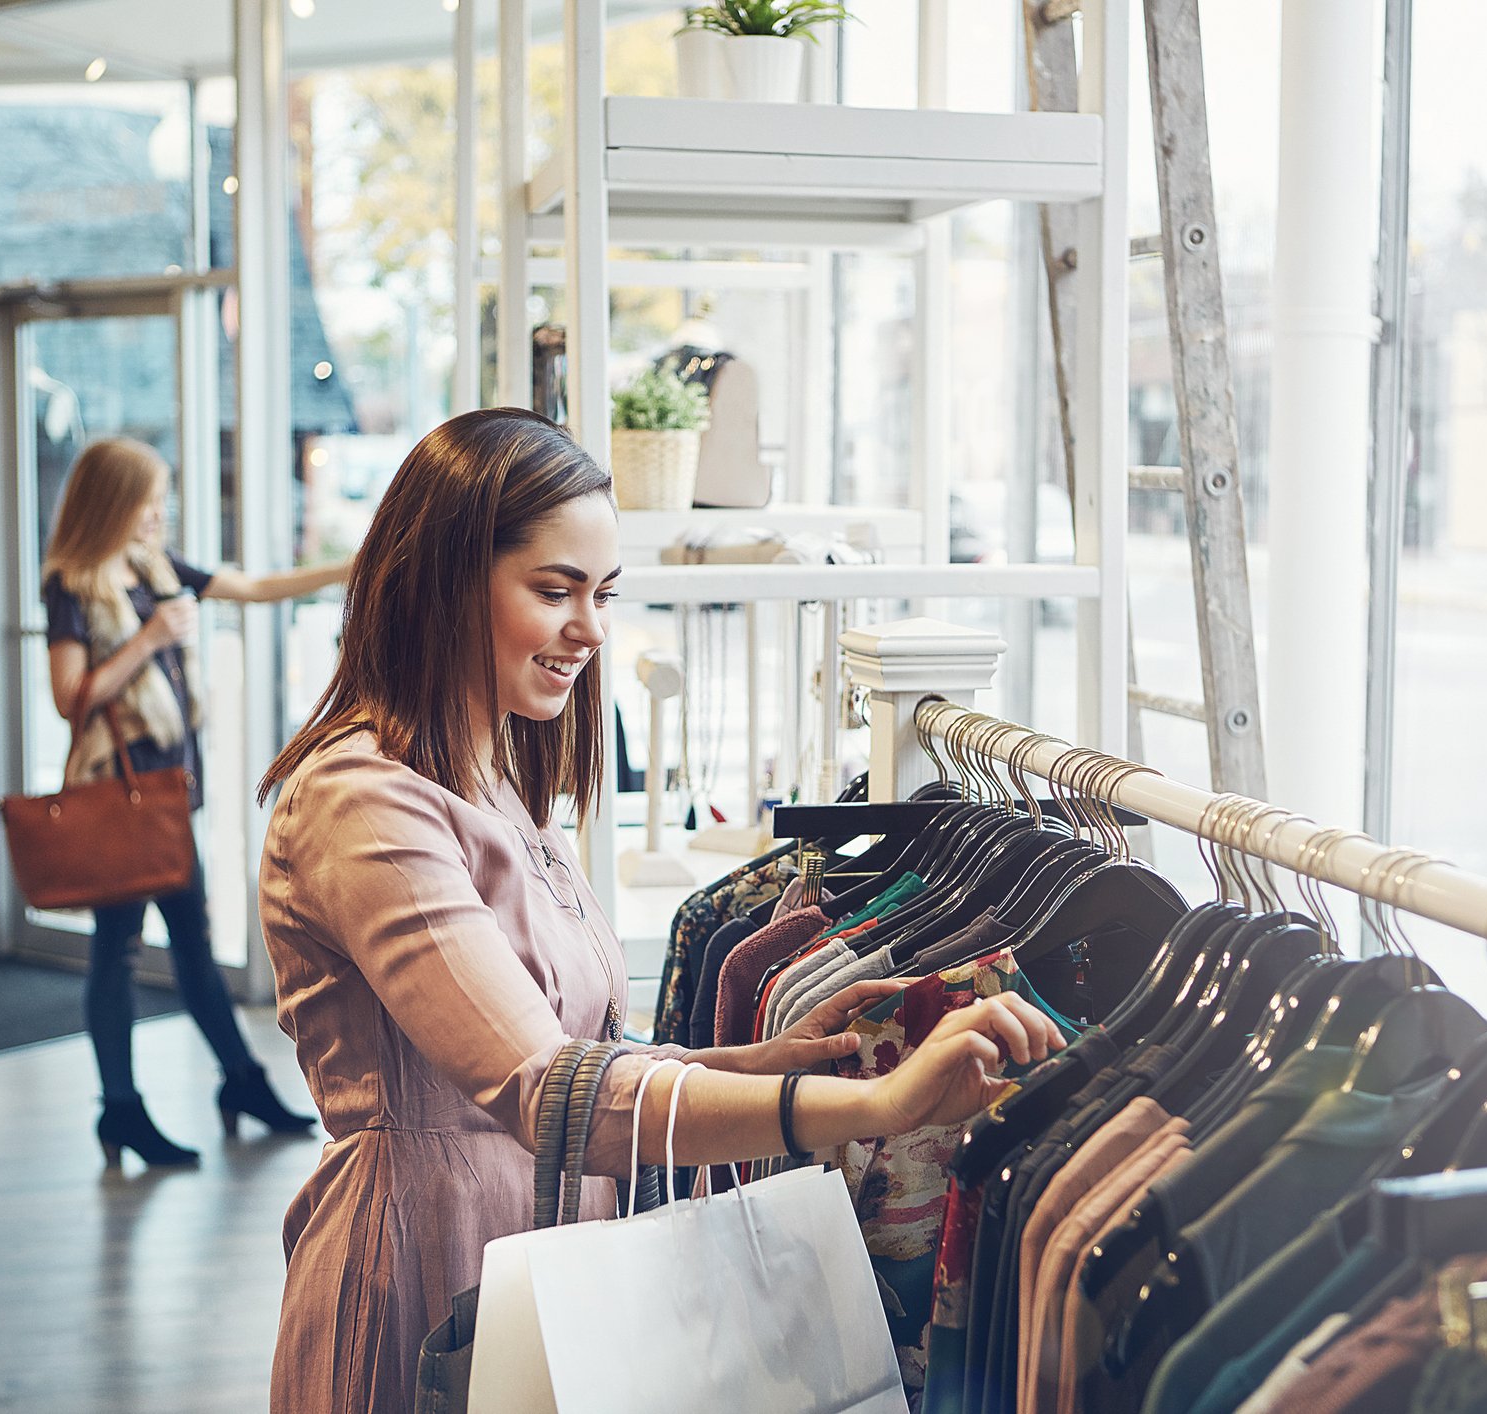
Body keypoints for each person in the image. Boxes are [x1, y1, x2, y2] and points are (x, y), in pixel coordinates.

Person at [256, 408, 1064, 1412]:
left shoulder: (496, 777)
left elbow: (585, 1053)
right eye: (555, 590)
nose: (590, 628)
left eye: (601, 593)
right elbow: (548, 1089)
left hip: (542, 1259)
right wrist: (873, 1111)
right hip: (427, 1258)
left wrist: (759, 1062)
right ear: (444, 578)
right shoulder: (362, 800)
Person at [42, 435, 350, 1169]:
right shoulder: (74, 583)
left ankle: (233, 1082)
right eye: (149, 497)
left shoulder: (153, 567)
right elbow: (69, 700)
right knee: (118, 950)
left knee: (188, 940)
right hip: (120, 794)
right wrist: (148, 638)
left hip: (168, 791)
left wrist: (358, 563)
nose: (158, 511)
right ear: (114, 501)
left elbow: (254, 588)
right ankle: (127, 1108)